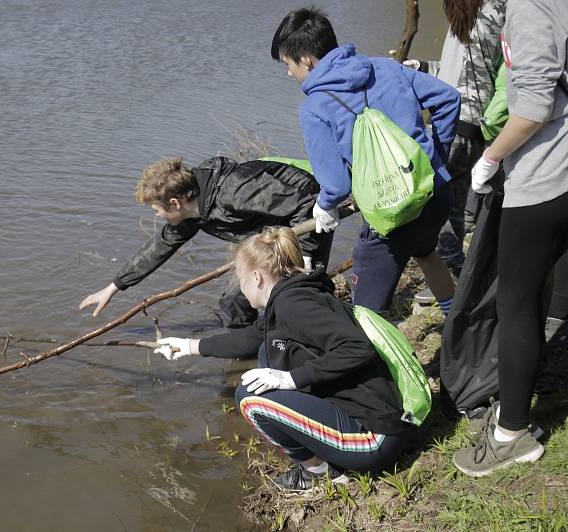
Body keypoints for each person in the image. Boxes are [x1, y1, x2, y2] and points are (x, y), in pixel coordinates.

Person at [155, 227, 410, 490]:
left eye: (240, 281)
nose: (241, 290)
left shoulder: (294, 306)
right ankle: (320, 456)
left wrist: (290, 378)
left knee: (249, 399)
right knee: (267, 350)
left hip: (374, 439)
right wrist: (187, 345)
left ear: (256, 277)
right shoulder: (291, 297)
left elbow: (357, 348)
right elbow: (248, 339)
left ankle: (318, 474)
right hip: (371, 421)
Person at [271, 7, 461, 316]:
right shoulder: (385, 68)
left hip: (394, 212)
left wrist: (324, 205)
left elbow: (336, 184)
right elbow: (449, 99)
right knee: (426, 252)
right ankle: (461, 332)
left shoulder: (315, 107)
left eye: (288, 64)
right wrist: (435, 158)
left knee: (368, 313)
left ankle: (389, 361)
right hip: (435, 193)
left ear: (307, 59)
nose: (289, 73)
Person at [453, 0, 567, 476]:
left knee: (516, 303)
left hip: (547, 170)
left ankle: (511, 434)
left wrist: (490, 158)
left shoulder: (529, 5)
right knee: (544, 286)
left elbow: (537, 104)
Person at [79, 157, 332, 328]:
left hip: (308, 221)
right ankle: (246, 352)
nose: (158, 216)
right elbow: (159, 247)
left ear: (176, 203)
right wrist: (114, 286)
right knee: (234, 300)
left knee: (297, 291)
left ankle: (322, 331)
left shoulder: (233, 192)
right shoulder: (192, 213)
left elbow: (304, 202)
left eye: (157, 210)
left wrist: (305, 256)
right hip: (269, 229)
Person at [407, 0, 506, 286]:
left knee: (422, 206)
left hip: (453, 127)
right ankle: (458, 281)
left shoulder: (487, 16)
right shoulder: (466, 21)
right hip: (470, 128)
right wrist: (422, 67)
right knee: (452, 208)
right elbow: (458, 73)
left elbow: (473, 77)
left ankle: (453, 278)